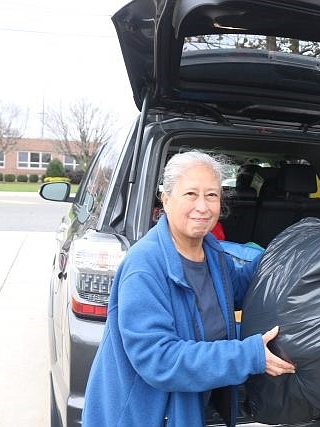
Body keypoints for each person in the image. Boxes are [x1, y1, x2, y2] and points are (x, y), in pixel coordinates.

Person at [82, 150, 295, 427]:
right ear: (166, 199)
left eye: (212, 196)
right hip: (142, 416)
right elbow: (159, 360)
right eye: (191, 194)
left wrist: (288, 259)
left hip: (189, 407)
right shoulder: (145, 266)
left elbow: (243, 288)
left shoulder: (211, 252)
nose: (203, 207)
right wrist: (249, 355)